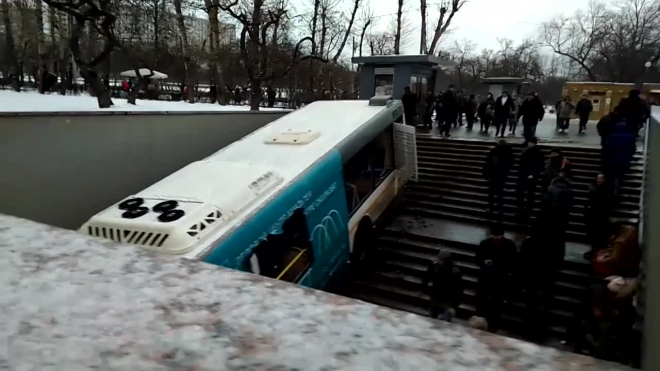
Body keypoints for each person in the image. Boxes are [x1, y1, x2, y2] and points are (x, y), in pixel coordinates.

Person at [476, 225, 518, 333]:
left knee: (497, 304)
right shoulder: (485, 244)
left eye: (498, 236)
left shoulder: (510, 245)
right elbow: (477, 258)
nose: (496, 238)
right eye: (494, 236)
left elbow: (514, 262)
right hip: (486, 278)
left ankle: (493, 326)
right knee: (482, 301)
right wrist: (483, 262)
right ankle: (480, 324)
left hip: (500, 280)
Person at [422, 250, 463, 321]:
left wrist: (454, 305)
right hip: (435, 297)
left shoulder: (455, 271)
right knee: (431, 320)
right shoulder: (434, 266)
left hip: (447, 300)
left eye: (442, 260)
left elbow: (458, 290)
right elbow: (427, 277)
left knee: (445, 321)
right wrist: (425, 286)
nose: (439, 261)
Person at [584, 174, 614, 261]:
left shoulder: (606, 191)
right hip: (593, 216)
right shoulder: (593, 188)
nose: (599, 180)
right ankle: (593, 250)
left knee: (598, 235)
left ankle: (596, 251)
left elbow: (607, 204)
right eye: (598, 178)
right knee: (593, 235)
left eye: (601, 178)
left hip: (600, 217)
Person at [603, 118, 636, 194]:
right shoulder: (630, 137)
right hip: (624, 160)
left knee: (613, 175)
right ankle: (618, 189)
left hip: (613, 160)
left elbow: (607, 148)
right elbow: (633, 149)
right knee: (620, 175)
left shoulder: (612, 136)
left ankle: (613, 190)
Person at [483, 140, 514, 216]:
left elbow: (488, 161)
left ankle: (490, 207)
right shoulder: (508, 152)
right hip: (502, 175)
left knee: (491, 192)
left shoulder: (494, 150)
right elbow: (511, 163)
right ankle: (500, 208)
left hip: (493, 174)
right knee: (500, 193)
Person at [517, 137, 545, 219]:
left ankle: (527, 211)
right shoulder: (526, 151)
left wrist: (534, 174)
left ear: (534, 143)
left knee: (530, 194)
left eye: (531, 142)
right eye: (529, 142)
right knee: (520, 193)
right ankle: (521, 210)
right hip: (523, 175)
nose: (529, 144)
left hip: (531, 176)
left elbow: (540, 165)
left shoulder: (538, 153)